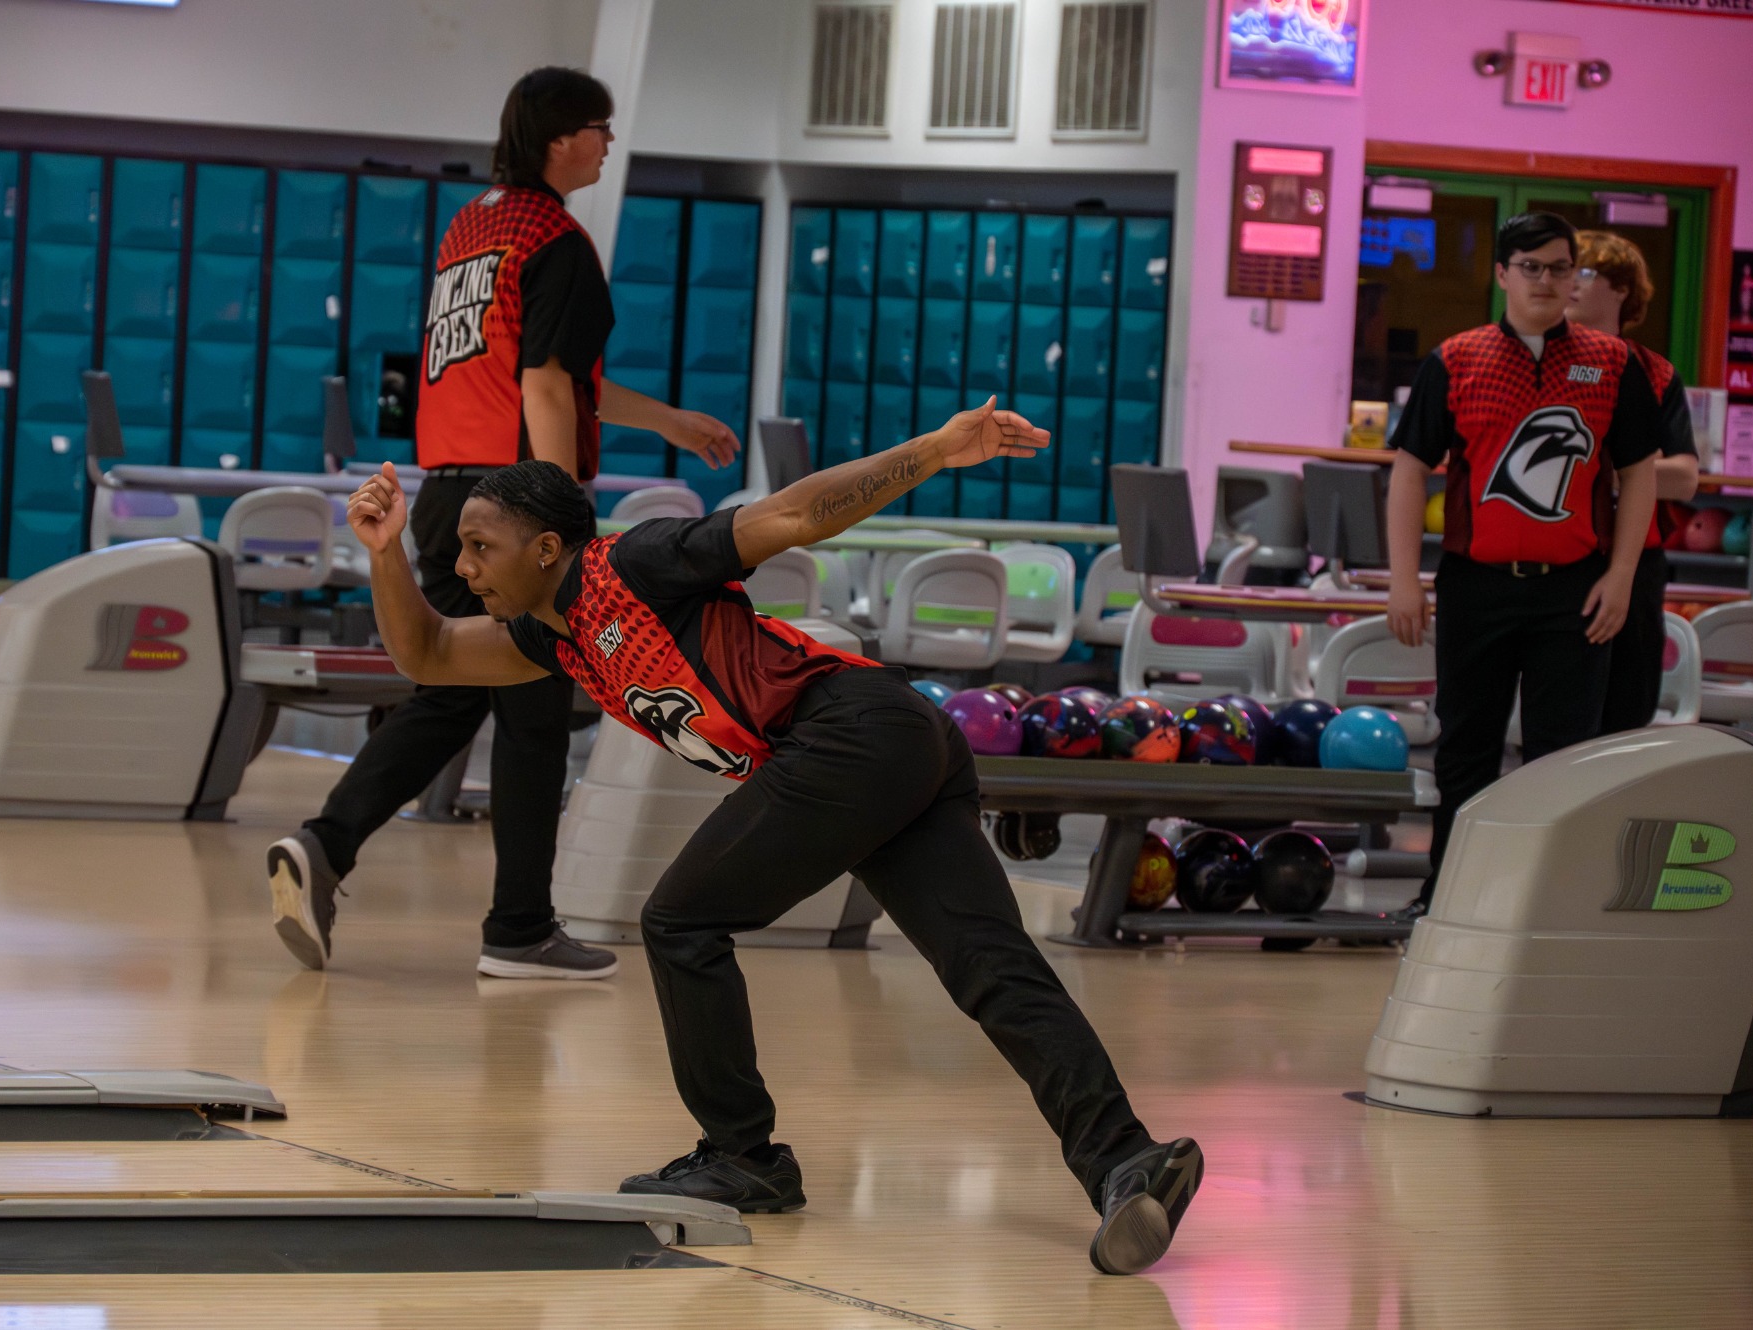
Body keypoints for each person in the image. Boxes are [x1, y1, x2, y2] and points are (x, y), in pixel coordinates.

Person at [331, 399, 1202, 1276]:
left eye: (481, 546)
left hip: (848, 733)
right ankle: (1124, 1160)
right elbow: (430, 653)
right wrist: (385, 550)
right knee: (988, 965)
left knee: (680, 920)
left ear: (547, 549)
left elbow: (794, 515)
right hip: (894, 742)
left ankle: (743, 1156)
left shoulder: (635, 562)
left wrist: (935, 448)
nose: (463, 563)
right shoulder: (552, 640)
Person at [266, 66, 738, 978]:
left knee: (454, 689)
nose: (608, 143)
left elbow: (548, 377)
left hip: (451, 496)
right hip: (519, 507)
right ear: (563, 139)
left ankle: (329, 846)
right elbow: (545, 385)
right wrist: (560, 528)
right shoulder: (559, 239)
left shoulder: (475, 230)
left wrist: (671, 422)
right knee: (530, 718)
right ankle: (517, 930)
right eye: (601, 128)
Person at [1385, 212, 1663, 919]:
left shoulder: (1614, 363)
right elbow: (1411, 469)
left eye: (1560, 267)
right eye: (1530, 266)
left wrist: (1624, 574)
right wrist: (1403, 578)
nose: (1546, 279)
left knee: (1561, 758)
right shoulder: (1455, 359)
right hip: (1475, 585)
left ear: (1576, 277)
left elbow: (1639, 472)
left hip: (1574, 591)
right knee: (1465, 751)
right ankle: (1445, 895)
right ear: (1502, 274)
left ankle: (1547, 902)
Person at [1566, 230, 1701, 733]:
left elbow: (1685, 479)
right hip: (1562, 559)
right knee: (1561, 716)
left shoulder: (1653, 372)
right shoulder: (1540, 361)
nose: (1569, 284)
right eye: (1564, 272)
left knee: (1626, 710)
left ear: (1621, 290)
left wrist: (1610, 475)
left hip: (1637, 563)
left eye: (1584, 272)